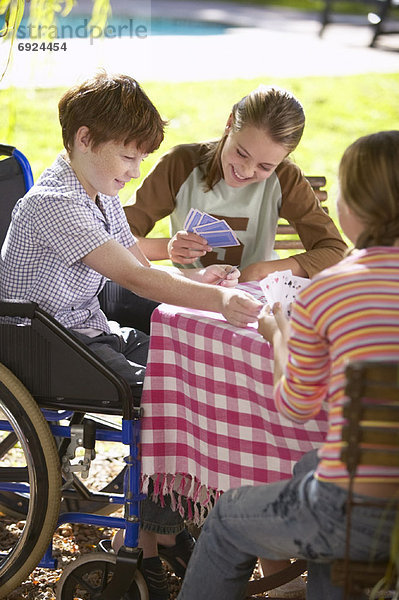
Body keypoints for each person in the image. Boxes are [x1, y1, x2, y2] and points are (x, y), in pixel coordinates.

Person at [0, 71, 263, 600]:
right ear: (85, 138)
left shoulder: (93, 189)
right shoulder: (56, 202)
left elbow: (133, 254)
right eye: (128, 157)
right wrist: (219, 301)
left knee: (191, 358)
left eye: (140, 159)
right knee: (169, 388)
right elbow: (134, 277)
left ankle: (165, 519)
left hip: (83, 330)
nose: (134, 172)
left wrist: (195, 274)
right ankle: (150, 541)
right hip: (42, 344)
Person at [176, 130, 399, 600]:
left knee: (226, 520)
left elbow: (296, 405)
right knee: (308, 466)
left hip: (360, 508)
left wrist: (279, 336)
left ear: (353, 207)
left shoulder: (331, 290)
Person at [123, 85, 347, 282]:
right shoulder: (180, 165)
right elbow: (117, 237)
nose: (246, 170)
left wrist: (261, 271)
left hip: (257, 297)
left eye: (265, 166)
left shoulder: (285, 179)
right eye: (241, 153)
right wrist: (169, 248)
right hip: (192, 294)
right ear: (230, 123)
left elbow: (335, 251)